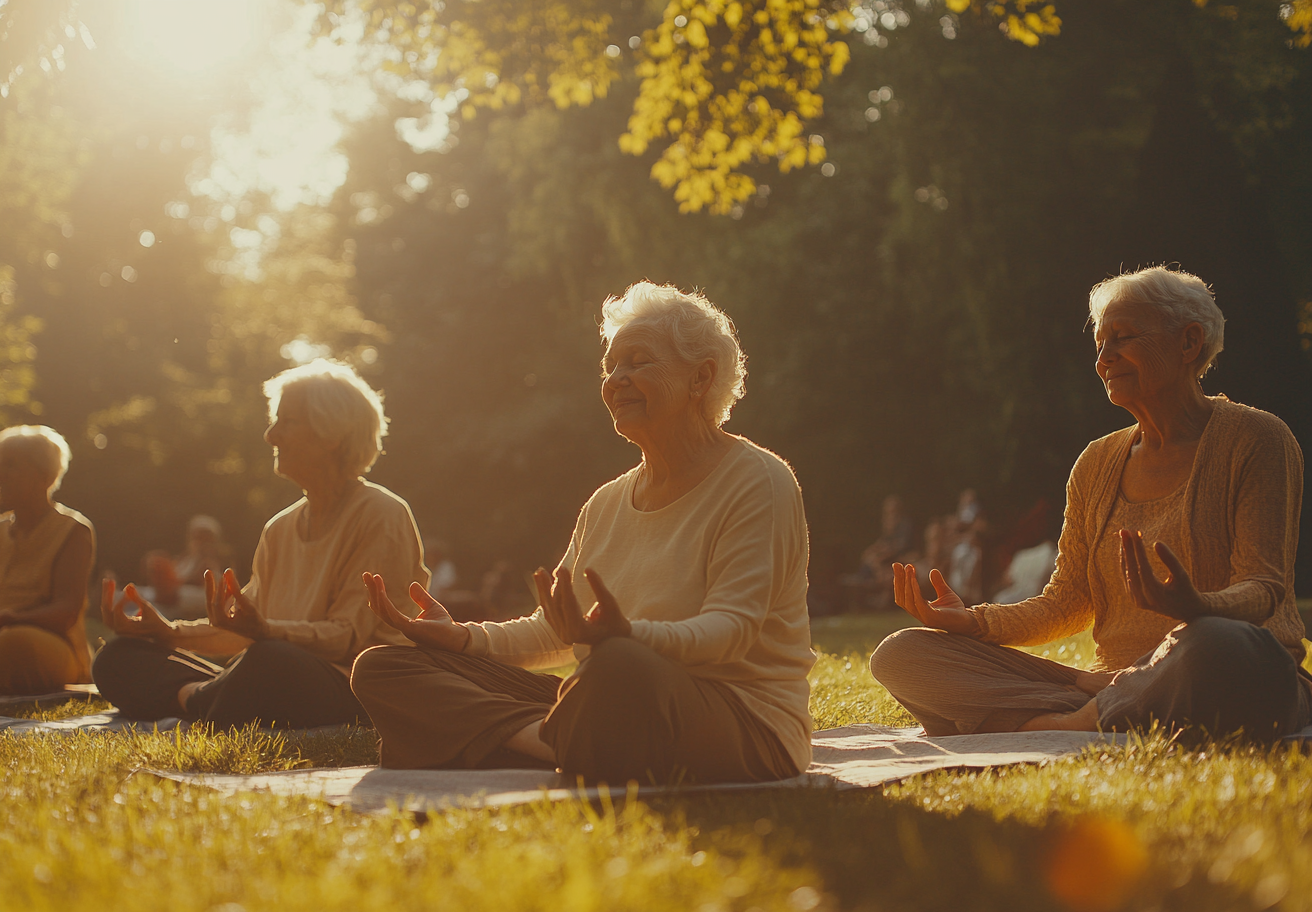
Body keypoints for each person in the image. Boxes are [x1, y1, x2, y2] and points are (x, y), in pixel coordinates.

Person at [351, 282, 814, 784]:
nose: (617, 379)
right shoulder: (606, 502)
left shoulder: (759, 481)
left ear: (701, 378)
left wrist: (627, 637)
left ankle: (528, 739)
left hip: (743, 722)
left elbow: (730, 631)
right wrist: (463, 639)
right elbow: (556, 631)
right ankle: (561, 741)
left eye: (638, 361)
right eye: (610, 366)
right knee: (384, 667)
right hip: (608, 695)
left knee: (617, 667)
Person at [870, 266, 1310, 741]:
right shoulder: (1096, 462)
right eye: (1100, 345)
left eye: (1121, 338)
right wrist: (974, 621)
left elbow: (1264, 587)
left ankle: (1060, 720)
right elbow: (1067, 601)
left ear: (1189, 343)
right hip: (1103, 683)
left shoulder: (1256, 438)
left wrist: (1199, 605)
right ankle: (1101, 709)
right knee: (902, 654)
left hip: (1235, 669)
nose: (1104, 360)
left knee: (1213, 640)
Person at [93, 359, 427, 728]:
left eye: (288, 422)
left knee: (269, 661)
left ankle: (197, 699)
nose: (271, 436)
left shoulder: (382, 514)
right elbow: (244, 630)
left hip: (354, 686)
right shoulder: (279, 528)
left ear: (330, 433)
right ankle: (203, 700)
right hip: (271, 668)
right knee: (117, 657)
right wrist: (169, 633)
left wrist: (266, 634)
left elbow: (348, 639)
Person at [0, 426, 95, 695]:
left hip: (48, 644)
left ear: (43, 477)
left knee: (12, 642)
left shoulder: (73, 530)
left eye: (10, 466)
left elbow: (66, 611)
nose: (0, 475)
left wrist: (12, 617)